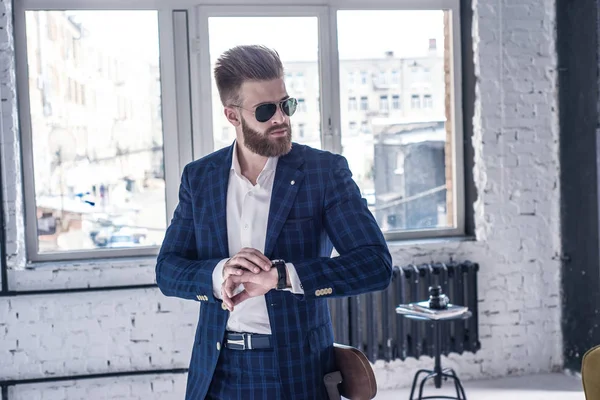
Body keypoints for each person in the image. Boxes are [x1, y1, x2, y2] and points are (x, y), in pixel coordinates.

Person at [155, 44, 392, 400]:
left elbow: (375, 264)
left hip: (297, 368)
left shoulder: (323, 172)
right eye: (266, 110)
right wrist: (220, 274)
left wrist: (281, 276)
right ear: (232, 116)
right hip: (216, 371)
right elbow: (168, 270)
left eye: (286, 104)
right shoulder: (199, 178)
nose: (281, 118)